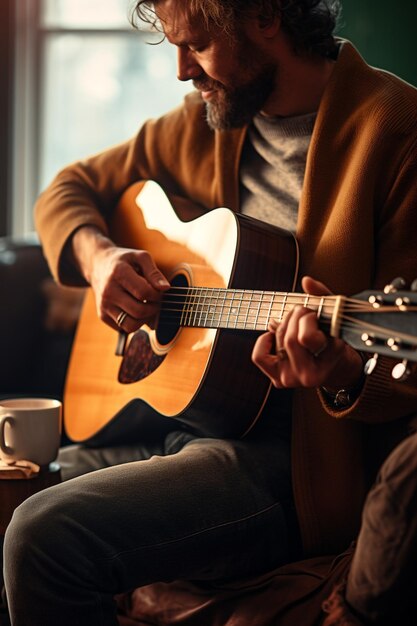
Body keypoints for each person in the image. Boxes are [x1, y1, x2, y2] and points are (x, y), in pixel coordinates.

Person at [4, 0, 417, 624]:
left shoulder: (396, 132)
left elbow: (404, 378)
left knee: (42, 532)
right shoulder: (208, 120)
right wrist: (101, 257)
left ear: (266, 18)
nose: (179, 71)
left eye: (195, 45)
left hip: (290, 464)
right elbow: (67, 189)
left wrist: (336, 372)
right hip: (179, 425)